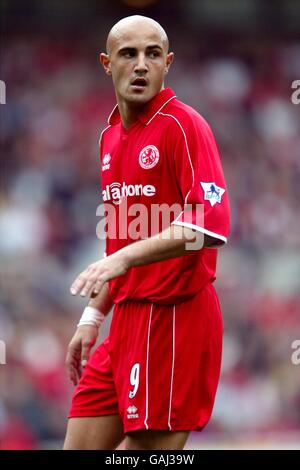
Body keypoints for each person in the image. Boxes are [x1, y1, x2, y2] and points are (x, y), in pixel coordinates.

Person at [63, 15, 230, 450]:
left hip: (175, 316)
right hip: (126, 319)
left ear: (167, 63)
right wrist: (92, 317)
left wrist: (123, 258)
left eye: (152, 54)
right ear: (106, 62)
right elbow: (120, 239)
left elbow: (208, 227)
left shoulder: (183, 125)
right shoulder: (110, 137)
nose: (141, 65)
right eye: (128, 54)